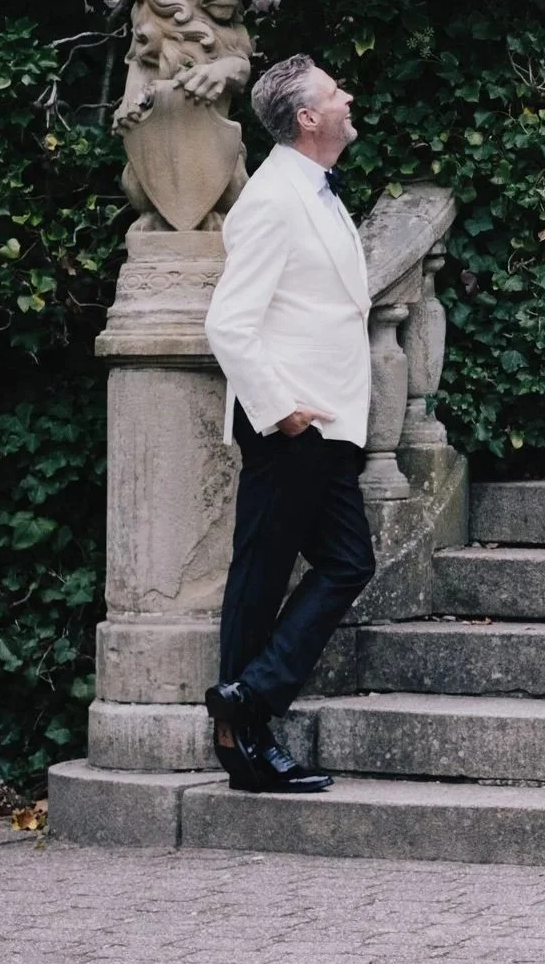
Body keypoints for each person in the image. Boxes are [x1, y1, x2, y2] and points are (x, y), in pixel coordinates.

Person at [200, 54, 376, 793]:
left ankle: (249, 698)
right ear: (309, 119)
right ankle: (243, 741)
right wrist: (282, 410)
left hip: (328, 421)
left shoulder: (314, 191)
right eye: (335, 93)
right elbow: (228, 323)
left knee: (346, 562)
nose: (347, 98)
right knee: (261, 575)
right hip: (291, 423)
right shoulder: (273, 198)